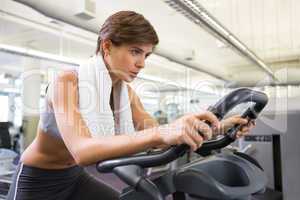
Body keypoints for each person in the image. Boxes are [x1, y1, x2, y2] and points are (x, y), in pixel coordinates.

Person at [6, 11, 255, 200]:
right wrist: (161, 132)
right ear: (107, 46)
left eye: (146, 55)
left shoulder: (125, 92)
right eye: (135, 51)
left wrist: (219, 127)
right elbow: (82, 151)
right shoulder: (67, 82)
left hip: (73, 177)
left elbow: (159, 135)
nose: (142, 63)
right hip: (37, 179)